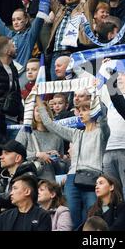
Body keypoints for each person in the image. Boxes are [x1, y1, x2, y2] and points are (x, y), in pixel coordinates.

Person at [36, 96, 109, 230]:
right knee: (72, 216)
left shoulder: (101, 132)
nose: (80, 113)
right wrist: (38, 100)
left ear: (93, 112)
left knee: (92, 216)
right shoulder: (76, 133)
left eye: (85, 110)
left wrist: (96, 95)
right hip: (72, 178)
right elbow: (49, 124)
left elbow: (103, 119)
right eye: (79, 110)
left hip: (93, 177)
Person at [41, 0, 107, 80]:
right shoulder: (59, 10)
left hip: (75, 54)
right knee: (56, 88)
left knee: (74, 88)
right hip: (56, 54)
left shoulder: (86, 8)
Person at [0, 140, 37, 223]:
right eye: (1, 153)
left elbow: (10, 198)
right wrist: (1, 210)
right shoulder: (2, 178)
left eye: (6, 153)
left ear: (18, 158)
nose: (1, 157)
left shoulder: (28, 176)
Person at [15, 103, 65, 182]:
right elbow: (16, 154)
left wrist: (56, 159)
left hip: (48, 181)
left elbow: (61, 166)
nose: (41, 114)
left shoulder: (57, 135)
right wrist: (37, 155)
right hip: (27, 178)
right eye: (38, 111)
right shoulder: (26, 131)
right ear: (33, 114)